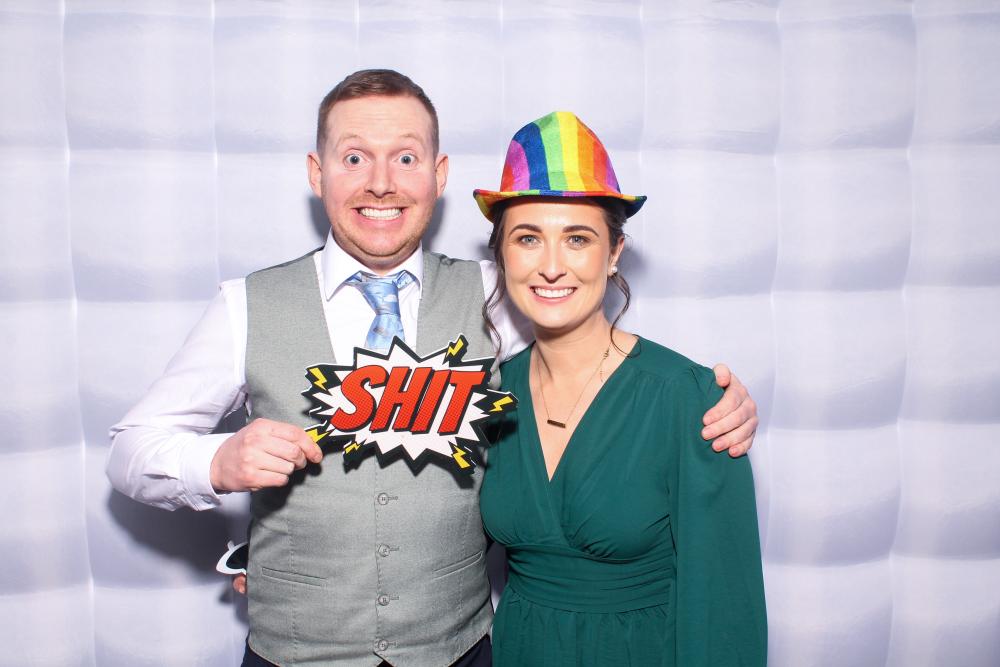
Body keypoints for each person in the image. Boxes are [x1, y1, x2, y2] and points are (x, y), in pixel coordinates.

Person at [107, 70, 760, 667]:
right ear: (317, 171)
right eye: (354, 157)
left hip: (461, 652)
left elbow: (592, 353)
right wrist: (216, 463)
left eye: (406, 157)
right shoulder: (247, 305)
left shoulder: (499, 296)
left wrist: (710, 401)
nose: (381, 182)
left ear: (438, 175)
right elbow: (129, 450)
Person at [475, 111, 767, 666]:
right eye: (528, 238)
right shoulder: (490, 395)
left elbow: (725, 608)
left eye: (577, 239)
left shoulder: (689, 399)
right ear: (502, 255)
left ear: (613, 253)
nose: (552, 266)